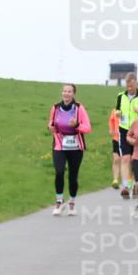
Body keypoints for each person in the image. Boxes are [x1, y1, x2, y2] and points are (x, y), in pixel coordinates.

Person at [46, 84, 92, 216]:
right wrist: (50, 128)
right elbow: (51, 124)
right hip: (60, 144)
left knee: (73, 176)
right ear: (62, 93)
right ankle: (59, 202)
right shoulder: (55, 108)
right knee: (59, 172)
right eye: (64, 91)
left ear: (73, 94)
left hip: (76, 146)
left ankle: (72, 204)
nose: (66, 94)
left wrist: (77, 125)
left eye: (69, 92)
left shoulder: (79, 108)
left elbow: (88, 128)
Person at [115, 72, 138, 199]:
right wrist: (118, 113)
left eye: (132, 86)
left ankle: (135, 184)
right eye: (128, 86)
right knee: (125, 158)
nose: (129, 89)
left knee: (135, 160)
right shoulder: (120, 96)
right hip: (124, 129)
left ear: (136, 83)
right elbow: (117, 109)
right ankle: (125, 186)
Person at [109, 108, 123, 191]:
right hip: (116, 138)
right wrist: (111, 129)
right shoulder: (114, 110)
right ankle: (115, 180)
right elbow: (111, 121)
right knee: (116, 159)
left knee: (128, 160)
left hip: (128, 138)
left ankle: (130, 180)